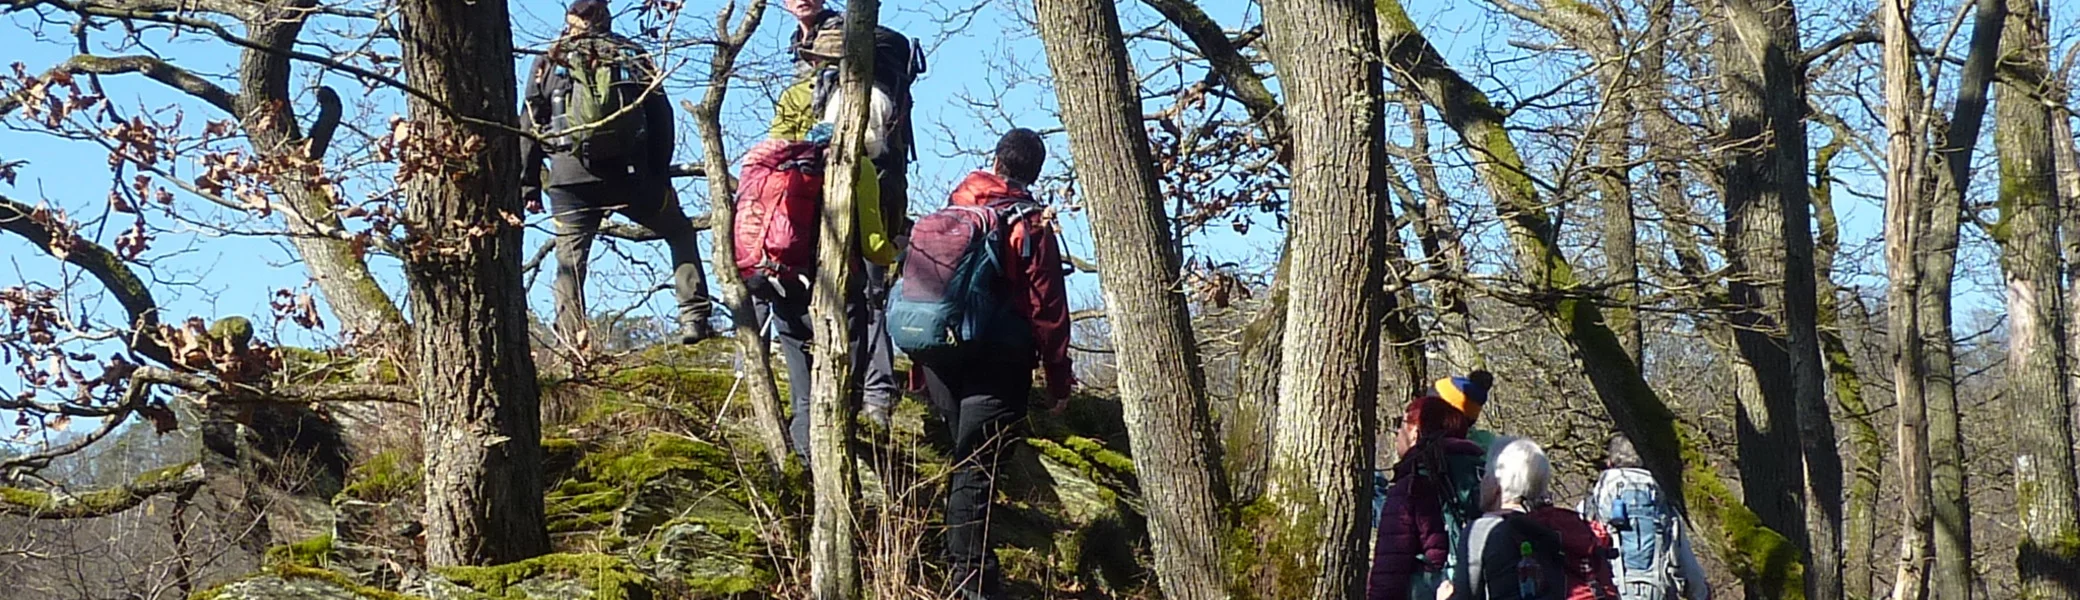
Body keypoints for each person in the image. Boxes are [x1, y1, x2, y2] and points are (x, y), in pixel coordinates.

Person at [913, 129, 1072, 599]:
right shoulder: (1029, 223)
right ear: (1034, 172)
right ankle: (971, 583)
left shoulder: (953, 208)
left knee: (963, 463)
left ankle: (954, 565)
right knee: (976, 468)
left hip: (939, 354)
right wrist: (1058, 379)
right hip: (996, 357)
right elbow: (1047, 308)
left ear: (996, 160)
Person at [521, 0, 713, 347]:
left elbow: (531, 123)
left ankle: (573, 344)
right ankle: (694, 317)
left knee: (569, 263)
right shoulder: (630, 53)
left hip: (569, 180)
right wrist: (656, 173)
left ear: (570, 19)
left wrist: (529, 185)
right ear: (605, 16)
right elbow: (661, 118)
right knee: (680, 230)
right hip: (630, 177)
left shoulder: (548, 60)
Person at [777, 0, 924, 426]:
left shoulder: (854, 82)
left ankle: (870, 393)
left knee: (864, 292)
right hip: (864, 191)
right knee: (864, 292)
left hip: (849, 190)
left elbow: (868, 143)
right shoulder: (856, 82)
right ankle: (870, 393)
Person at [1369, 394, 1486, 600]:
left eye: (1401, 424)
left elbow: (1389, 573)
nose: (1397, 433)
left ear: (1415, 431)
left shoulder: (1411, 486)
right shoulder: (1484, 476)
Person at [1580, 436, 1711, 600]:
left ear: (1610, 462)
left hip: (1606, 591)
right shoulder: (1662, 499)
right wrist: (1700, 593)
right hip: (1657, 590)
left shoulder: (1593, 501)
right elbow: (1683, 557)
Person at [1448, 437, 1570, 600]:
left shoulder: (1481, 530)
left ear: (1497, 482)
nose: (1481, 482)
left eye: (1484, 473)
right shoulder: (1550, 527)